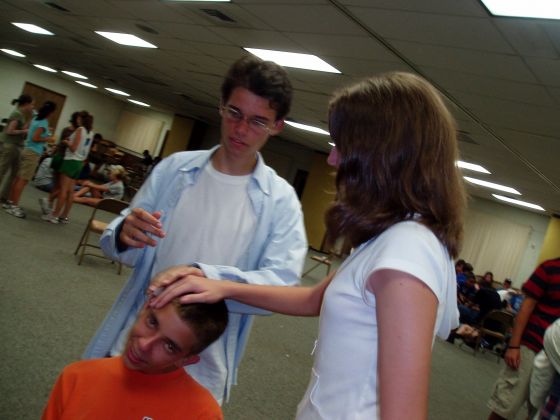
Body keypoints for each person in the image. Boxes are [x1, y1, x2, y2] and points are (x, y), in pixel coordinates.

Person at [148, 71, 466, 419]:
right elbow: (313, 298)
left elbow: (403, 414)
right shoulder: (391, 235)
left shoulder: (407, 251)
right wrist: (219, 286)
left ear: (379, 154)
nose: (332, 159)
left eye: (341, 145)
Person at [82, 55, 308, 404]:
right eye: (234, 113)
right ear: (221, 106)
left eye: (258, 121)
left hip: (203, 367)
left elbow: (282, 282)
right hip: (137, 340)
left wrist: (207, 278)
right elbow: (120, 245)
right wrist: (124, 232)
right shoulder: (174, 170)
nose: (241, 129)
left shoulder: (281, 201)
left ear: (277, 126)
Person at [42, 291, 228, 419]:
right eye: (152, 322)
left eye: (169, 346)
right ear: (145, 307)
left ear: (186, 360)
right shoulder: (76, 376)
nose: (144, 344)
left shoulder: (203, 413)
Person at [487, 258, 560, 420]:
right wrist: (514, 346)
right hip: (531, 347)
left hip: (556, 359)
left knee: (539, 413)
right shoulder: (550, 268)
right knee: (506, 405)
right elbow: (526, 307)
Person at [5, 101, 56, 219]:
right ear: (51, 112)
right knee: (22, 180)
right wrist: (48, 138)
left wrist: (46, 133)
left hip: (27, 149)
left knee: (18, 178)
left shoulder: (36, 119)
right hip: (32, 153)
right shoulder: (43, 122)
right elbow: (36, 137)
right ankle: (14, 206)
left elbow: (30, 132)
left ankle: (11, 203)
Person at [42, 111, 94, 224]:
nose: (77, 120)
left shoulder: (80, 130)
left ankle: (55, 215)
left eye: (79, 118)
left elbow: (73, 148)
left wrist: (66, 142)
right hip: (79, 162)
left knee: (63, 190)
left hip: (71, 160)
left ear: (82, 119)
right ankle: (64, 216)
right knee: (70, 191)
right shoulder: (91, 133)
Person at [39, 112, 80, 216]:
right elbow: (67, 145)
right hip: (63, 158)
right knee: (61, 186)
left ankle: (49, 204)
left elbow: (60, 144)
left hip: (60, 157)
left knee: (58, 185)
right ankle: (49, 202)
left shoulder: (69, 130)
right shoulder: (74, 131)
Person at [0, 95, 34, 204]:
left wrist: (30, 121)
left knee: (15, 173)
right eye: (32, 104)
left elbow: (22, 128)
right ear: (26, 104)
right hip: (10, 145)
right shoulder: (16, 114)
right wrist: (24, 132)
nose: (32, 107)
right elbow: (10, 131)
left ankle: (4, 196)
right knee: (2, 171)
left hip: (17, 146)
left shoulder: (22, 115)